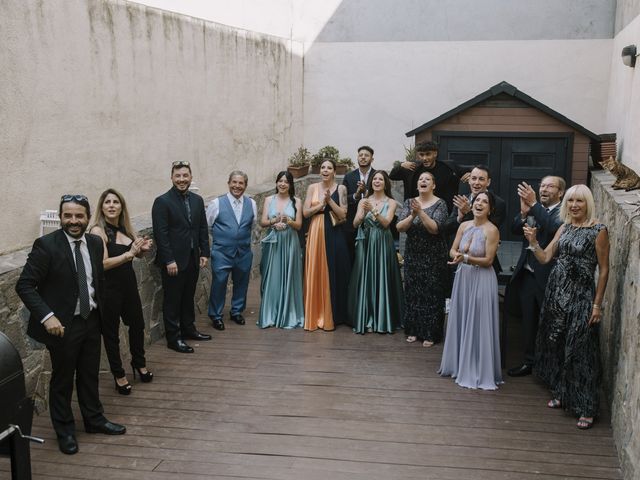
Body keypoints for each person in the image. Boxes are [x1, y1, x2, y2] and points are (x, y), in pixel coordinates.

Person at [16, 194, 126, 455]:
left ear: (88, 217)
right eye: (68, 216)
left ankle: (94, 420)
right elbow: (25, 285)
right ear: (61, 216)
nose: (73, 221)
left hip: (91, 320)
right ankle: (64, 430)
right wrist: (47, 316)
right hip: (62, 325)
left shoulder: (95, 243)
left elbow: (95, 280)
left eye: (79, 216)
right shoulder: (46, 245)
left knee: (89, 373)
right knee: (63, 379)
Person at [524, 185, 609, 430]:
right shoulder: (564, 227)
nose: (574, 205)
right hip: (557, 293)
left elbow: (603, 270)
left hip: (582, 296)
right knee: (558, 344)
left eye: (579, 201)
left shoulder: (599, 230)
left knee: (581, 350)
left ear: (588, 203)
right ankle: (563, 392)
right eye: (571, 201)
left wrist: (597, 305)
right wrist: (532, 242)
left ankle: (587, 406)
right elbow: (545, 257)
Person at [89, 189, 154, 395]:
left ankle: (139, 363)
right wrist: (130, 254)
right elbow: (102, 264)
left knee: (137, 325)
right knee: (111, 334)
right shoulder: (98, 231)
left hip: (128, 286)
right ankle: (118, 374)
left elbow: (139, 256)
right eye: (107, 202)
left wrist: (143, 250)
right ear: (101, 207)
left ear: (121, 206)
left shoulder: (126, 228)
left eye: (115, 202)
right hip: (109, 289)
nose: (111, 205)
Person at [439, 192, 502, 390]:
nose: (479, 204)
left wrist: (465, 258)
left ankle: (477, 367)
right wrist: (457, 256)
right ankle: (458, 363)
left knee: (478, 320)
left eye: (485, 202)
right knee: (462, 316)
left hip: (482, 279)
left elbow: (489, 260)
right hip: (463, 277)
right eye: (477, 201)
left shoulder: (492, 230)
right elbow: (452, 249)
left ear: (490, 209)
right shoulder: (464, 225)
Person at [506, 176, 565, 377]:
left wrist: (533, 204)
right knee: (528, 323)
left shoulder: (563, 212)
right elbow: (514, 229)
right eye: (542, 186)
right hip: (528, 275)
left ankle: (549, 367)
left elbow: (553, 228)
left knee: (549, 323)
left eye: (550, 186)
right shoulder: (533, 209)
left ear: (561, 192)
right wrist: (523, 213)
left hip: (549, 277)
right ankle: (529, 362)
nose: (544, 189)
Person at [152, 161, 211, 353]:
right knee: (172, 300)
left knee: (188, 297)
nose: (182, 179)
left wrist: (204, 252)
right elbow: (161, 234)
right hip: (174, 263)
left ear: (191, 177)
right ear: (171, 178)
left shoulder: (197, 200)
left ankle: (189, 330)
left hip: (193, 258)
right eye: (178, 176)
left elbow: (202, 227)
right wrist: (169, 260)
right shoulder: (162, 202)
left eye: (185, 175)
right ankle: (173, 338)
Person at [396, 172, 448, 346]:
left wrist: (420, 213)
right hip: (413, 254)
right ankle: (413, 330)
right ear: (417, 185)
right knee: (413, 293)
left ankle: (430, 334)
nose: (423, 181)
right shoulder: (409, 202)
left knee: (431, 294)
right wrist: (412, 214)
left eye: (427, 179)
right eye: (420, 179)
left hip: (433, 256)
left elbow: (435, 228)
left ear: (433, 185)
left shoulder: (441, 203)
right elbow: (399, 227)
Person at [347, 170, 403, 333]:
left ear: (386, 183)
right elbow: (356, 224)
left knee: (382, 276)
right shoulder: (364, 201)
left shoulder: (391, 202)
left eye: (380, 179)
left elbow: (386, 223)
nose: (377, 181)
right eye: (374, 179)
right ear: (371, 183)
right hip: (366, 242)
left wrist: (373, 210)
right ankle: (368, 318)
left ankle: (383, 317)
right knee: (367, 277)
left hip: (383, 241)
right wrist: (362, 212)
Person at [303, 159, 351, 330]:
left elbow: (343, 214)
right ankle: (315, 313)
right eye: (322, 167)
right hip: (316, 230)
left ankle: (334, 314)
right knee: (316, 269)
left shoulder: (342, 188)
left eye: (329, 168)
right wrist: (321, 205)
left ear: (334, 172)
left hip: (335, 230)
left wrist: (330, 201)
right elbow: (306, 212)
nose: (325, 170)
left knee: (335, 268)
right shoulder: (312, 188)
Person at [206, 170, 257, 330]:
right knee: (219, 283)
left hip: (243, 252)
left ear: (245, 186)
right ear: (229, 183)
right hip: (222, 252)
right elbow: (208, 226)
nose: (237, 186)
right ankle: (216, 315)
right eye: (234, 182)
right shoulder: (216, 203)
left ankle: (236, 311)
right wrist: (224, 239)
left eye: (241, 183)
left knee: (242, 282)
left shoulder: (252, 203)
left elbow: (252, 224)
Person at [258, 171, 304, 328]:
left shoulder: (296, 201)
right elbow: (263, 222)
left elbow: (299, 225)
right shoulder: (268, 199)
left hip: (290, 243)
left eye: (286, 182)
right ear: (276, 183)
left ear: (290, 185)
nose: (283, 184)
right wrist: (275, 221)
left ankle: (289, 314)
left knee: (289, 277)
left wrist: (288, 221)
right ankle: (271, 313)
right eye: (280, 181)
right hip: (273, 242)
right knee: (272, 276)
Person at [443, 165, 506, 274]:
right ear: (469, 180)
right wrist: (459, 218)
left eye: (481, 179)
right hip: (458, 262)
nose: (476, 182)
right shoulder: (462, 199)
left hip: (482, 263)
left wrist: (468, 212)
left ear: (488, 182)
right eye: (473, 178)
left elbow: (489, 228)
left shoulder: (498, 203)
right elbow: (447, 228)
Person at [389, 140, 458, 211]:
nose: (424, 158)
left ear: (435, 154)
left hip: (439, 210)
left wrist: (468, 174)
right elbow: (392, 176)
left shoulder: (447, 168)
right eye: (421, 155)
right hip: (414, 209)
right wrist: (401, 165)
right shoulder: (412, 167)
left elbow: (464, 170)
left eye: (428, 154)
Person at [342, 146, 376, 261]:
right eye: (360, 155)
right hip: (351, 223)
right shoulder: (349, 176)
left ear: (372, 159)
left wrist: (366, 192)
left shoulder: (377, 176)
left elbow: (384, 196)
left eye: (366, 155)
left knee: (370, 256)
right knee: (351, 256)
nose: (363, 157)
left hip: (372, 222)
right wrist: (356, 195)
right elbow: (343, 199)